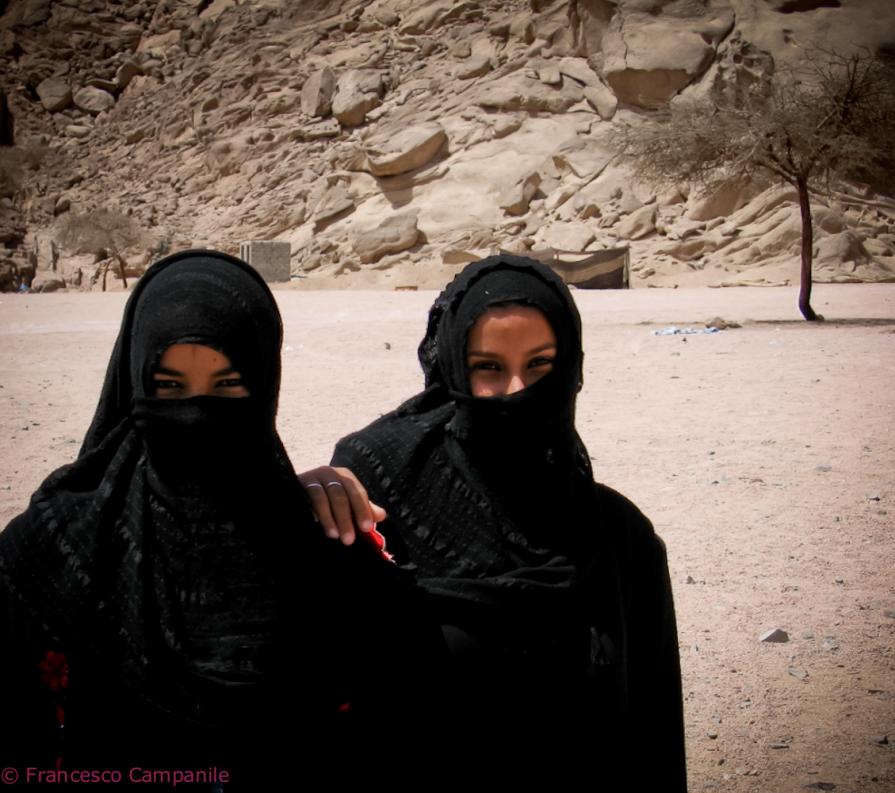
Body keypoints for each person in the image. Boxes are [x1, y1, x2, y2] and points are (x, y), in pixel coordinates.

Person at [0, 250, 432, 784]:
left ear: (264, 385)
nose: (197, 413)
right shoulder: (54, 552)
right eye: (169, 386)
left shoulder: (328, 553)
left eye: (228, 386)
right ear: (136, 384)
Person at [330, 253, 687, 786]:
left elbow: (653, 735)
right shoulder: (378, 500)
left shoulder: (620, 537)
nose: (518, 391)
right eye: (489, 367)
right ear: (455, 369)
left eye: (540, 365)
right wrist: (299, 501)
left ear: (572, 368)